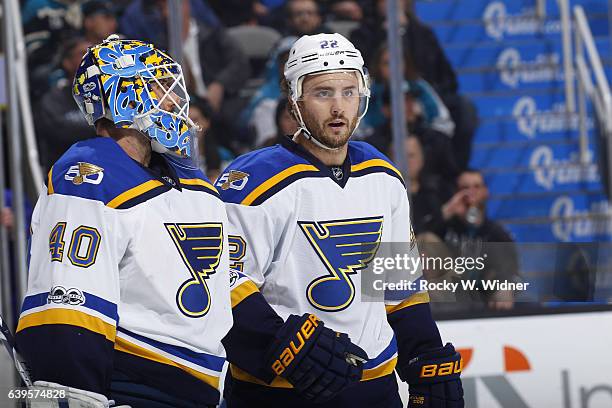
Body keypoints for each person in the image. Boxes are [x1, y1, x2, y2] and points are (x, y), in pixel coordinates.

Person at [16, 35, 365, 408]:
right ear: (123, 97)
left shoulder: (193, 184)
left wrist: (277, 341)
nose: (176, 101)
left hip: (205, 391)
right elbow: (68, 297)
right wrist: (74, 390)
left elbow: (217, 278)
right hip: (134, 387)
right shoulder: (89, 175)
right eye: (161, 88)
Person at [218, 33, 463, 408]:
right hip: (280, 393)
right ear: (295, 100)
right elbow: (221, 286)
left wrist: (423, 354)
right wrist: (278, 344)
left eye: (349, 92)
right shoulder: (252, 183)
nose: (338, 107)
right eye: (322, 93)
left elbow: (399, 285)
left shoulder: (382, 175)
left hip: (374, 388)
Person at [442, 169, 520, 310]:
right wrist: (446, 213)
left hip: (484, 300)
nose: (471, 193)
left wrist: (505, 287)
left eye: (476, 187)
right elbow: (416, 241)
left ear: (485, 192)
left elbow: (512, 273)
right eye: (465, 188)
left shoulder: (497, 234)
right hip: (449, 300)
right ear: (456, 193)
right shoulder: (443, 228)